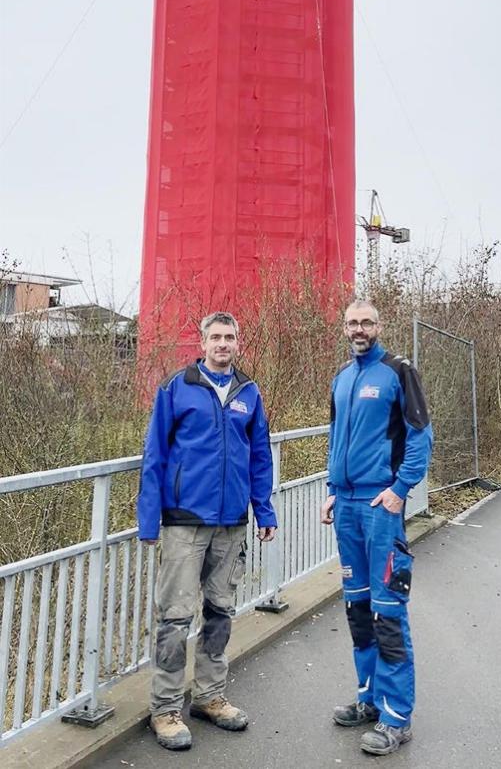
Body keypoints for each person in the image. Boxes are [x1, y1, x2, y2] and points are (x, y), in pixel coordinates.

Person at [137, 311, 277, 751]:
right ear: (202, 341)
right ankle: (165, 707)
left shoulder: (248, 393)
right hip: (184, 521)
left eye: (230, 337)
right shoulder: (177, 388)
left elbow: (259, 457)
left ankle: (210, 696)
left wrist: (264, 510)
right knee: (175, 617)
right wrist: (149, 519)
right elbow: (155, 454)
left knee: (220, 611)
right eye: (215, 336)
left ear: (238, 342)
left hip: (232, 522)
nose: (223, 343)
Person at [321, 300, 433, 756]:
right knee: (358, 609)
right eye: (352, 322)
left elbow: (421, 435)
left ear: (379, 326)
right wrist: (332, 487)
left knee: (388, 611)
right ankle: (369, 698)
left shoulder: (398, 372)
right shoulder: (342, 378)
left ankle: (396, 717)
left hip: (380, 506)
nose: (359, 328)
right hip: (346, 505)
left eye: (366, 321)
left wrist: (400, 489)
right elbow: (336, 436)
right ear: (345, 328)